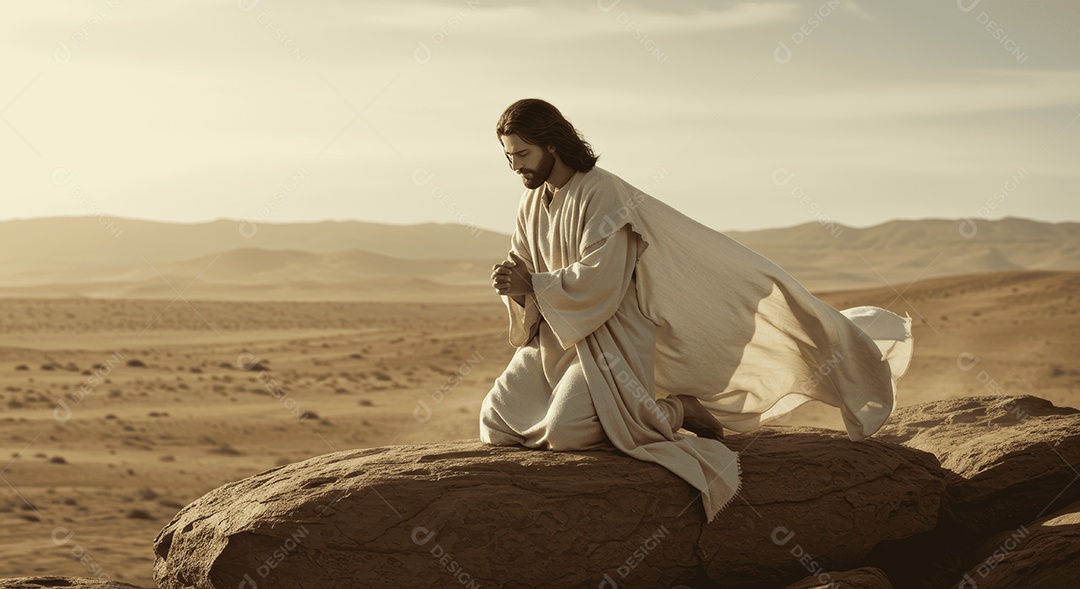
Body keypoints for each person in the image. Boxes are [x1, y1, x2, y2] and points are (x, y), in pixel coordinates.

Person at [479, 98, 913, 521]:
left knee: (566, 433)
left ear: (552, 144)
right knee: (495, 420)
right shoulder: (530, 202)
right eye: (508, 155)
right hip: (555, 334)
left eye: (521, 153)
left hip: (608, 337)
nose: (514, 165)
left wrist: (533, 284)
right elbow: (525, 266)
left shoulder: (603, 192)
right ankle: (631, 409)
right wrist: (514, 286)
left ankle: (680, 410)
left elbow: (601, 280)